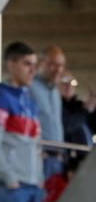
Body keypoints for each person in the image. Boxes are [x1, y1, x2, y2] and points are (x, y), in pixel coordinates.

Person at [0, 42, 44, 202]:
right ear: (11, 64)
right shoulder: (1, 97)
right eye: (27, 64)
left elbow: (36, 144)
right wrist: (10, 179)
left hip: (31, 184)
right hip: (11, 185)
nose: (33, 70)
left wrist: (39, 179)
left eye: (35, 65)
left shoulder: (29, 100)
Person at [29, 46, 67, 181]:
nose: (58, 69)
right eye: (53, 64)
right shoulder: (30, 87)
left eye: (61, 65)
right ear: (40, 63)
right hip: (39, 158)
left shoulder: (55, 93)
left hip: (57, 159)